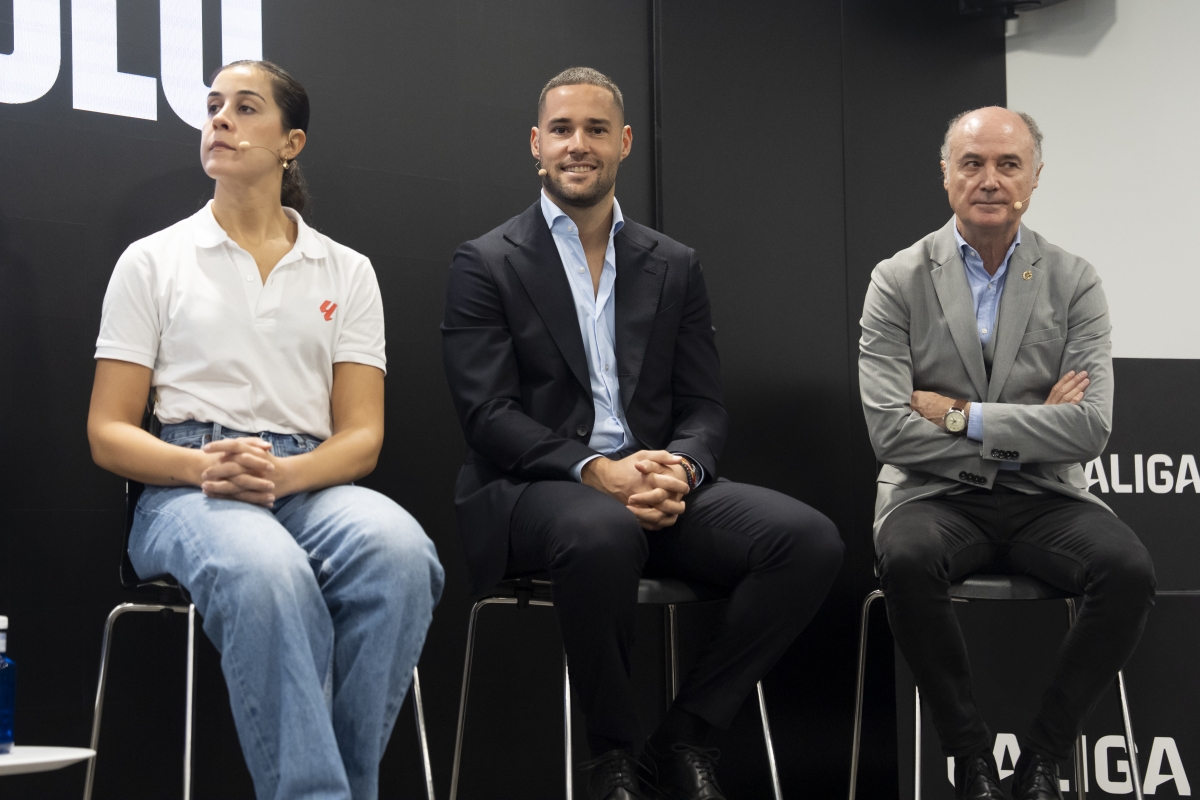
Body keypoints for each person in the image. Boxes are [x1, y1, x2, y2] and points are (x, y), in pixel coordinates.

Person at [441, 66, 843, 800]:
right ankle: (612, 758)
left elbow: (705, 407)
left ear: (624, 142)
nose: (578, 144)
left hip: (654, 483)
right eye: (562, 129)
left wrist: (680, 469)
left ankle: (684, 738)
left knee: (807, 541)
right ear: (536, 144)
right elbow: (489, 415)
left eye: (596, 129)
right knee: (602, 531)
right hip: (534, 490)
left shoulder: (674, 264)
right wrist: (597, 472)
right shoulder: (486, 261)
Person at [87, 60, 443, 800]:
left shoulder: (346, 271)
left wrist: (285, 475)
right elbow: (108, 431)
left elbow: (362, 437)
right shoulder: (152, 260)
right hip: (188, 482)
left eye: (246, 107)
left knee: (403, 555)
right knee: (267, 569)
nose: (219, 118)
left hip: (309, 479)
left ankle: (341, 788)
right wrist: (204, 468)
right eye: (214, 105)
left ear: (292, 143)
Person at [858, 107, 1155, 800]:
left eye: (1008, 164)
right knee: (906, 558)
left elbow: (1089, 430)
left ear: (1036, 176)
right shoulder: (896, 279)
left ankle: (1042, 762)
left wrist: (960, 414)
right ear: (946, 174)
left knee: (1128, 571)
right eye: (972, 163)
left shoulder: (1075, 280)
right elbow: (890, 432)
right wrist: (1030, 430)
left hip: (1045, 500)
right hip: (933, 496)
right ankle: (971, 762)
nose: (989, 179)